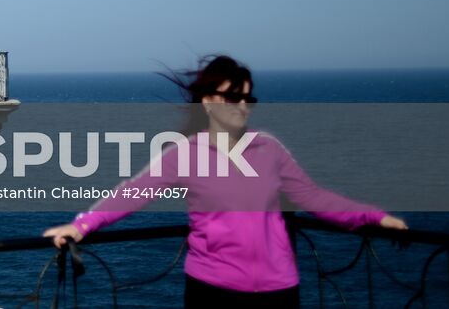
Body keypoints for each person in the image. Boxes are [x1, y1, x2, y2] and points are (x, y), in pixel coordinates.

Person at [42, 55, 407, 308]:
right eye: (233, 96)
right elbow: (134, 193)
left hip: (279, 291)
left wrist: (374, 217)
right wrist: (82, 225)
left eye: (248, 97)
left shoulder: (269, 149)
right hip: (213, 291)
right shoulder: (185, 154)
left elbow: (313, 196)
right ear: (208, 101)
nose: (242, 104)